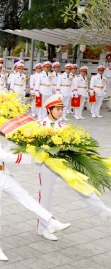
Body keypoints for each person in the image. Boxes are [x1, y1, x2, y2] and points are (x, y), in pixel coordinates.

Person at [0, 101, 71, 261]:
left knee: (26, 197)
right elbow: (3, 156)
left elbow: (4, 151)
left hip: (2, 174)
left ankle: (50, 221)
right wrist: (27, 157)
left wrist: (18, 144)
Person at [35, 94, 111, 241]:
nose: (60, 112)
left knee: (80, 185)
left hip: (63, 164)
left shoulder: (64, 126)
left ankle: (101, 210)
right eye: (57, 109)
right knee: (45, 196)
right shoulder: (39, 126)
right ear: (49, 110)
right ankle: (43, 228)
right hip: (47, 166)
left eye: (61, 109)